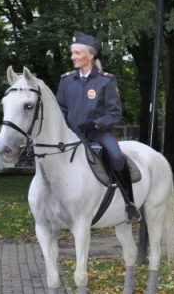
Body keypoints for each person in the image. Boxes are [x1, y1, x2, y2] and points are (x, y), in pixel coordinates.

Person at [56, 31, 141, 223]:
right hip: (72, 135)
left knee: (117, 157)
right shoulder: (66, 80)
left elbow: (114, 113)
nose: (73, 57)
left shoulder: (106, 80)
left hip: (100, 134)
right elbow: (60, 108)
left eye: (77, 53)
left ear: (90, 55)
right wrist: (64, 128)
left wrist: (95, 124)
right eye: (72, 53)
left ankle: (130, 204)